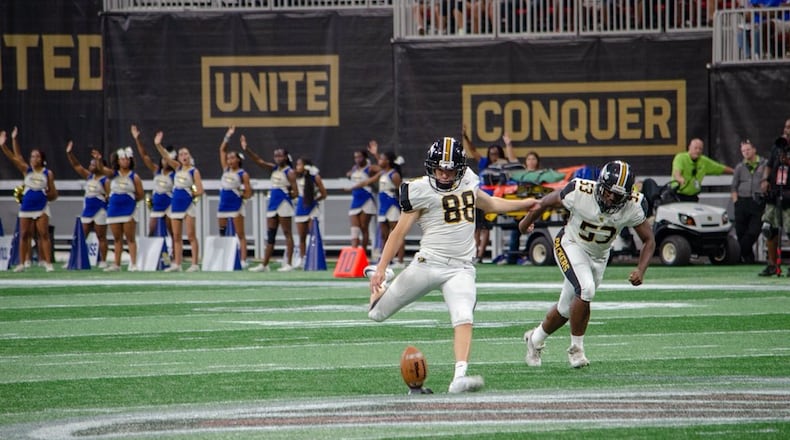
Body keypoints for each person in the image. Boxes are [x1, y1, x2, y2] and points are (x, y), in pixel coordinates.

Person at [366, 137, 540, 394]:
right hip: (427, 264)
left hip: (461, 268)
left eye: (450, 169)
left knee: (464, 316)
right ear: (431, 167)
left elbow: (489, 203)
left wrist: (524, 205)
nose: (445, 175)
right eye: (440, 169)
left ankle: (459, 375)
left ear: (460, 168)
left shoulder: (468, 180)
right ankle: (379, 287)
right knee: (377, 315)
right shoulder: (420, 189)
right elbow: (398, 232)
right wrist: (381, 267)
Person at [519, 161, 655, 368]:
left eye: (617, 196)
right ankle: (576, 350)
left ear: (627, 196)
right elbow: (545, 201)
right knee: (586, 289)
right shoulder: (580, 191)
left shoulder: (634, 206)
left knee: (566, 309)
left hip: (599, 256)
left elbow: (649, 240)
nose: (610, 198)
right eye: (608, 192)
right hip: (570, 243)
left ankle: (535, 339)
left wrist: (641, 269)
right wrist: (526, 221)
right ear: (600, 185)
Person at [0, 128, 58, 272]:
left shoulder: (47, 173)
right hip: (27, 206)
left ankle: (47, 262)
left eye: (36, 156)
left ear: (42, 159)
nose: (33, 159)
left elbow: (53, 192)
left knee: (43, 234)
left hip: (42, 206)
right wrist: (7, 143)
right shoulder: (27, 170)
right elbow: (16, 157)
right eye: (32, 156)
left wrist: (48, 196)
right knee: (24, 234)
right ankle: (22, 262)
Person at [242, 136, 298, 272]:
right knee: (271, 234)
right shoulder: (274, 169)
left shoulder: (289, 172)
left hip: (284, 204)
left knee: (287, 233)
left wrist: (286, 196)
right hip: (272, 204)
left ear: (286, 157)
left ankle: (288, 264)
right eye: (276, 156)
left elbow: (296, 192)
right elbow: (259, 161)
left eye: (280, 156)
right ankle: (264, 264)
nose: (278, 158)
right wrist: (247, 149)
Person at [462, 127, 514, 263]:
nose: (494, 156)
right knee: (476, 227)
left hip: (494, 199)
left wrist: (508, 144)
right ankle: (473, 255)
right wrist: (466, 137)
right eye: (491, 153)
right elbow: (473, 151)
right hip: (479, 197)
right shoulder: (485, 163)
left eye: (496, 153)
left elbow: (514, 163)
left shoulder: (503, 165)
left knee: (486, 228)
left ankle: (480, 255)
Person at [154, 131, 204, 272]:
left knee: (191, 235)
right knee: (176, 236)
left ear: (190, 156)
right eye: (181, 154)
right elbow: (165, 155)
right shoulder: (176, 167)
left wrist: (190, 195)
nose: (184, 156)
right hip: (175, 205)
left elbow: (200, 190)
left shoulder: (194, 171)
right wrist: (158, 144)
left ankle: (194, 264)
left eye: (186, 154)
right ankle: (177, 264)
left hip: (188, 206)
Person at [97, 146, 144, 272]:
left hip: (128, 210)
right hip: (114, 209)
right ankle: (116, 264)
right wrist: (98, 160)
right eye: (122, 159)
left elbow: (141, 194)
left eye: (127, 159)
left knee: (130, 238)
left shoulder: (134, 177)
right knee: (117, 239)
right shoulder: (113, 175)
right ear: (118, 161)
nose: (125, 161)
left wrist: (130, 201)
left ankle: (133, 264)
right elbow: (101, 169)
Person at [66, 141, 109, 268]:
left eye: (94, 164)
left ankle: (103, 261)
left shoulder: (105, 180)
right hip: (88, 209)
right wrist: (69, 153)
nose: (91, 166)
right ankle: (74, 259)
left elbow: (109, 195)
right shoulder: (89, 176)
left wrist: (107, 197)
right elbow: (76, 166)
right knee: (81, 235)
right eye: (90, 164)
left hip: (100, 209)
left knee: (101, 236)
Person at [131, 124, 175, 237]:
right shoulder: (156, 170)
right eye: (164, 159)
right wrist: (137, 139)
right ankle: (153, 253)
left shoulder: (175, 173)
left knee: (173, 233)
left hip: (169, 205)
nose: (165, 161)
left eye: (168, 159)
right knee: (152, 230)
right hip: (156, 206)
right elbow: (144, 156)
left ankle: (174, 254)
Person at [758, 121, 790, 277]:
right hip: (775, 191)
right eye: (785, 127)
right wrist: (765, 180)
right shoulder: (778, 145)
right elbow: (769, 165)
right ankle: (772, 264)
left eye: (789, 127)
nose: (786, 130)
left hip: (789, 193)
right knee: (769, 228)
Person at [218, 127, 252, 268]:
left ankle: (243, 260)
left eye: (233, 158)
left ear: (238, 160)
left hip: (236, 206)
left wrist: (240, 195)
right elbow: (222, 150)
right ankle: (224, 257)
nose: (229, 160)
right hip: (223, 205)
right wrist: (228, 135)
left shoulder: (243, 174)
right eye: (229, 158)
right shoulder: (225, 169)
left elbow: (249, 192)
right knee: (222, 232)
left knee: (240, 234)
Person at [730, 139, 767, 264]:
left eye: (748, 149)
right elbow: (734, 186)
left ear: (754, 150)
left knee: (753, 231)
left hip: (757, 201)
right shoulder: (740, 167)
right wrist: (736, 203)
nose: (746, 152)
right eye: (743, 151)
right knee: (741, 231)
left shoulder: (764, 164)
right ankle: (748, 258)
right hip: (742, 201)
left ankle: (737, 252)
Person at [504, 150, 541, 265]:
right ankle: (512, 257)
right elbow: (512, 159)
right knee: (515, 232)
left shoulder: (542, 175)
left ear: (537, 162)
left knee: (534, 232)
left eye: (533, 159)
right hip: (521, 210)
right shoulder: (521, 175)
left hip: (535, 209)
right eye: (529, 159)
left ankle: (528, 256)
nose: (531, 161)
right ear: (525, 162)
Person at [670, 138, 734, 202]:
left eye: (700, 149)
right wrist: (680, 179)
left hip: (693, 197)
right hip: (678, 196)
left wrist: (735, 172)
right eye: (695, 148)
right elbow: (677, 173)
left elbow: (720, 168)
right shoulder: (680, 158)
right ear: (689, 147)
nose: (698, 151)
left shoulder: (703, 161)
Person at [294, 156, 327, 268]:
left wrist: (313, 200)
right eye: (297, 164)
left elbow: (324, 194)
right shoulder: (296, 177)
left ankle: (316, 256)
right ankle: (302, 258)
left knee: (313, 235)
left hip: (312, 209)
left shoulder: (314, 177)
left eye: (300, 164)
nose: (297, 167)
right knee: (301, 236)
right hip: (300, 207)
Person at [345, 144, 378, 256]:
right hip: (356, 199)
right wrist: (348, 174)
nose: (357, 159)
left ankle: (362, 254)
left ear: (365, 157)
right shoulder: (354, 168)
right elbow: (349, 174)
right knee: (354, 228)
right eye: (355, 157)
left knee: (364, 227)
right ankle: (354, 253)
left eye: (360, 157)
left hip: (367, 199)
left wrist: (375, 154)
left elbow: (383, 169)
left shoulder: (370, 168)